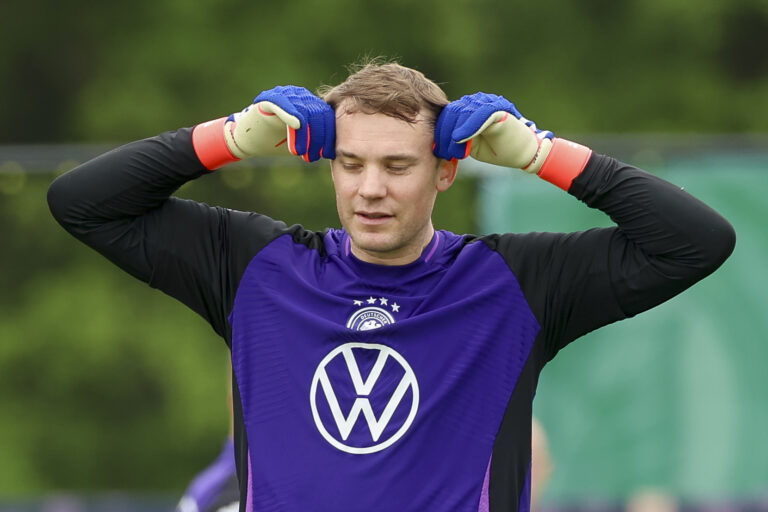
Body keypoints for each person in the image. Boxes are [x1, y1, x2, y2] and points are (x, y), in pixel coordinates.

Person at [47, 61, 735, 512]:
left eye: (397, 166)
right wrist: (230, 138)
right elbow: (81, 202)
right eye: (351, 164)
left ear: (444, 173)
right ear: (329, 166)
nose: (370, 189)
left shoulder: (511, 283)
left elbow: (696, 241)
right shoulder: (255, 265)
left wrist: (538, 153)